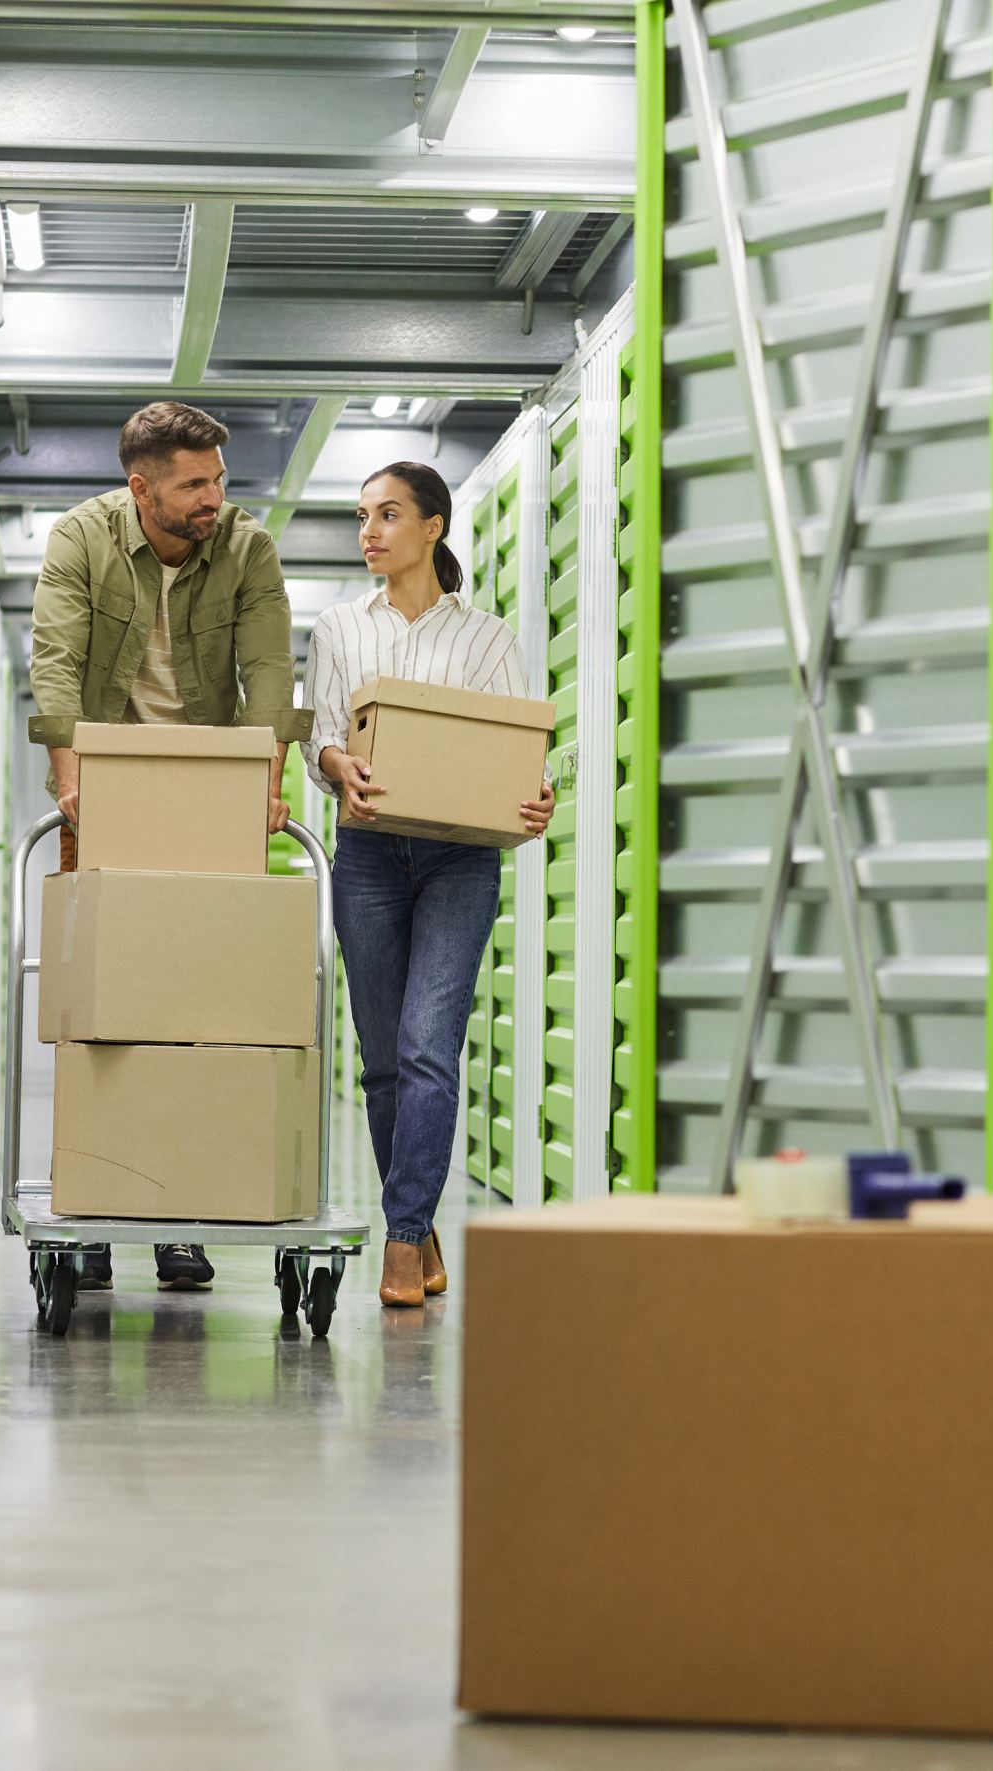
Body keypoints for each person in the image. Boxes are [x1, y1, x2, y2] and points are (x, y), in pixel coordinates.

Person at [27, 401, 309, 1294]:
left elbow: (269, 671)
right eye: (195, 484)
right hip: (107, 786)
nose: (214, 499)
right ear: (141, 486)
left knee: (200, 1015)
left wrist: (269, 780)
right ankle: (103, 1202)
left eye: (220, 480)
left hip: (212, 790)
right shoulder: (81, 539)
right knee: (101, 1018)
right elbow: (56, 661)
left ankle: (180, 1215)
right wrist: (71, 781)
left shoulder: (246, 548)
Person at [306, 463, 555, 1308]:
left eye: (388, 515)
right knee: (383, 1065)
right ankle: (419, 1218)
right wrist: (341, 765)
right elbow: (325, 741)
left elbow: (516, 754)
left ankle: (403, 1240)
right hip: (369, 854)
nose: (369, 531)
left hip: (458, 861)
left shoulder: (487, 638)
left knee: (426, 1049)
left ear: (433, 527)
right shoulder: (340, 626)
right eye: (362, 517)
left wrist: (537, 797)